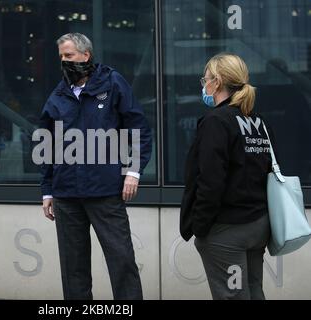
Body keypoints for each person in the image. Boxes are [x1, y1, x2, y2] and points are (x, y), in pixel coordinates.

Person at [39, 33, 152, 300]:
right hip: (66, 194)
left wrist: (133, 171)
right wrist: (47, 190)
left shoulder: (112, 83)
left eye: (69, 56)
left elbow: (138, 128)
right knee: (73, 268)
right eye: (61, 58)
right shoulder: (58, 94)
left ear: (85, 55)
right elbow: (46, 144)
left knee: (122, 260)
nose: (64, 62)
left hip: (105, 191)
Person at [180, 53, 273, 300]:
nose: (204, 85)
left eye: (205, 79)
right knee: (253, 292)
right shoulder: (256, 120)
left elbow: (211, 181)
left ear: (217, 82)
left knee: (233, 296)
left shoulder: (216, 121)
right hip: (258, 224)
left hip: (227, 231)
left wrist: (201, 229)